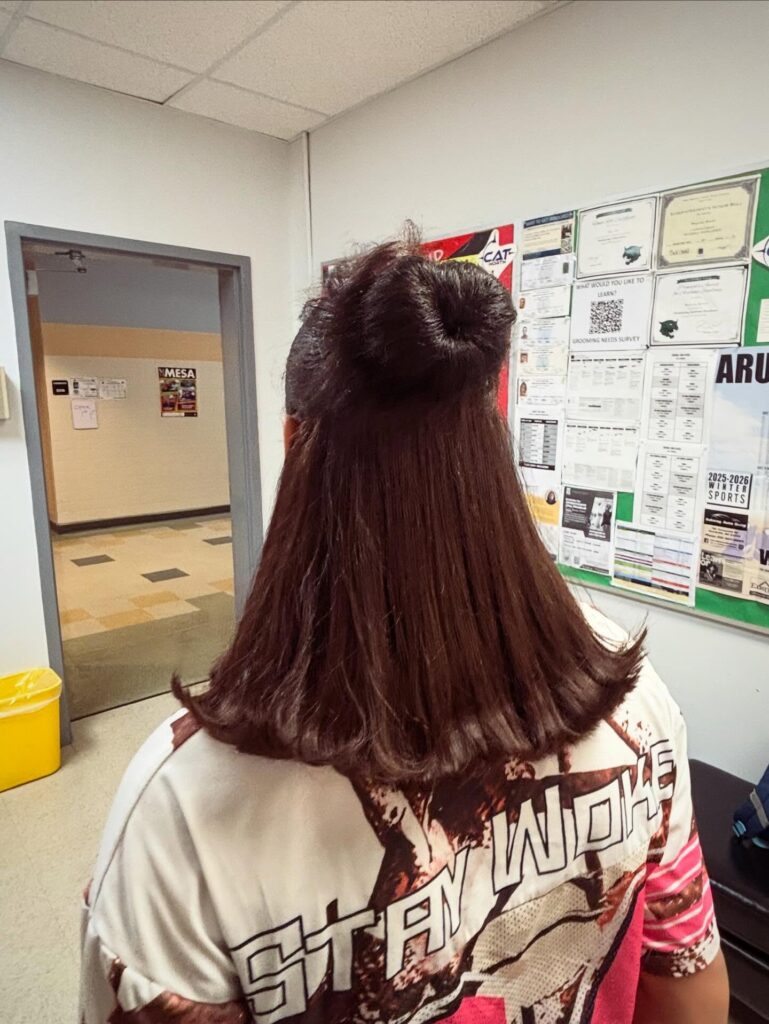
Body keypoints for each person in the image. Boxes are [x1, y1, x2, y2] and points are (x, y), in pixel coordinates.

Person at [80, 231, 728, 1024]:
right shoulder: (631, 702)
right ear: (493, 449)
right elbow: (686, 983)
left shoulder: (186, 806)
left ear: (293, 447)